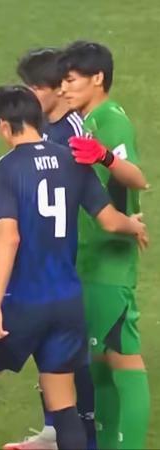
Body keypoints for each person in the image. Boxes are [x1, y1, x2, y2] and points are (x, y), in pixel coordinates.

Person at [0, 86, 147, 450]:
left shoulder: (4, 169)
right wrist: (133, 225)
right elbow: (109, 220)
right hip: (68, 303)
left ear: (5, 125)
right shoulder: (72, 159)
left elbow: (9, 237)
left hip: (23, 302)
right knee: (64, 406)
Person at [59, 41, 150, 450]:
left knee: (123, 359)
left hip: (110, 261)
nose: (64, 88)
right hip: (91, 258)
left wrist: (105, 157)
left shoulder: (110, 120)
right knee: (99, 364)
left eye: (71, 79)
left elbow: (137, 178)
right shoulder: (89, 120)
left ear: (98, 78)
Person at [4, 48, 92, 450]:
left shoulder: (72, 132)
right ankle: (55, 431)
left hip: (63, 261)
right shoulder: (45, 129)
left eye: (35, 88)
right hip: (48, 264)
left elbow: (93, 193)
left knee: (67, 358)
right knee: (56, 357)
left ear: (58, 89)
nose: (29, 95)